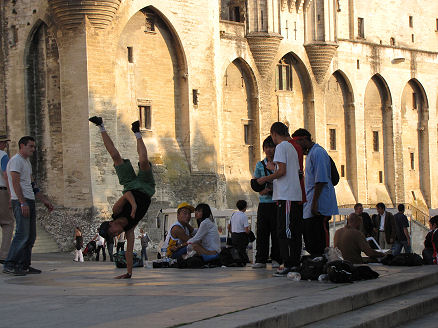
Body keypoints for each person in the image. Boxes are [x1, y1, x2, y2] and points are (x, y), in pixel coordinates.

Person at [90, 117, 155, 279]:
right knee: (144, 162)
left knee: (116, 157)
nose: (115, 234)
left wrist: (133, 207)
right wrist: (129, 273)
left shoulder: (116, 211)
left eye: (112, 232)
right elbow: (128, 250)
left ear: (111, 224)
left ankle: (101, 126)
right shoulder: (130, 229)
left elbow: (127, 194)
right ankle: (137, 132)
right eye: (113, 236)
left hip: (131, 185)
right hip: (146, 188)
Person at [3, 136, 53, 276]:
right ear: (22, 146)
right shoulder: (16, 161)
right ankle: (10, 264)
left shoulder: (26, 162)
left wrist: (43, 199)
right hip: (21, 201)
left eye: (34, 146)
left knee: (31, 235)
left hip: (29, 199)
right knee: (22, 234)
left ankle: (24, 264)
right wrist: (21, 201)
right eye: (30, 146)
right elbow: (15, 182)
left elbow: (31, 184)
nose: (33, 149)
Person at [257, 122, 303, 276]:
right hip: (290, 195)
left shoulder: (282, 147)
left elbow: (282, 171)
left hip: (286, 195)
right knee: (289, 229)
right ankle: (292, 262)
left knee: (286, 231)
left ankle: (290, 263)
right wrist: (273, 169)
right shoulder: (291, 147)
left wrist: (265, 178)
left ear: (274, 134)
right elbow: (291, 171)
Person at [292, 128, 339, 258]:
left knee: (319, 237)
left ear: (303, 140)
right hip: (311, 204)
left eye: (298, 144)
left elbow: (321, 180)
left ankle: (323, 260)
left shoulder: (318, 153)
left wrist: (314, 203)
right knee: (310, 237)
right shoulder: (312, 154)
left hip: (319, 205)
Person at [252, 136, 281, 269]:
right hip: (264, 203)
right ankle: (261, 259)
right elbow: (256, 183)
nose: (269, 150)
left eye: (271, 147)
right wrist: (266, 187)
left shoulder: (279, 164)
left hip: (276, 202)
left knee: (276, 232)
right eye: (266, 147)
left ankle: (276, 258)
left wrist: (266, 185)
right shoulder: (260, 164)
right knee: (262, 231)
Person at [0, 134, 14, 264]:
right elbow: (5, 174)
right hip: (1, 192)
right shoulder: (3, 156)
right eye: (4, 143)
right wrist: (11, 194)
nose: (5, 145)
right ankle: (4, 255)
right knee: (8, 223)